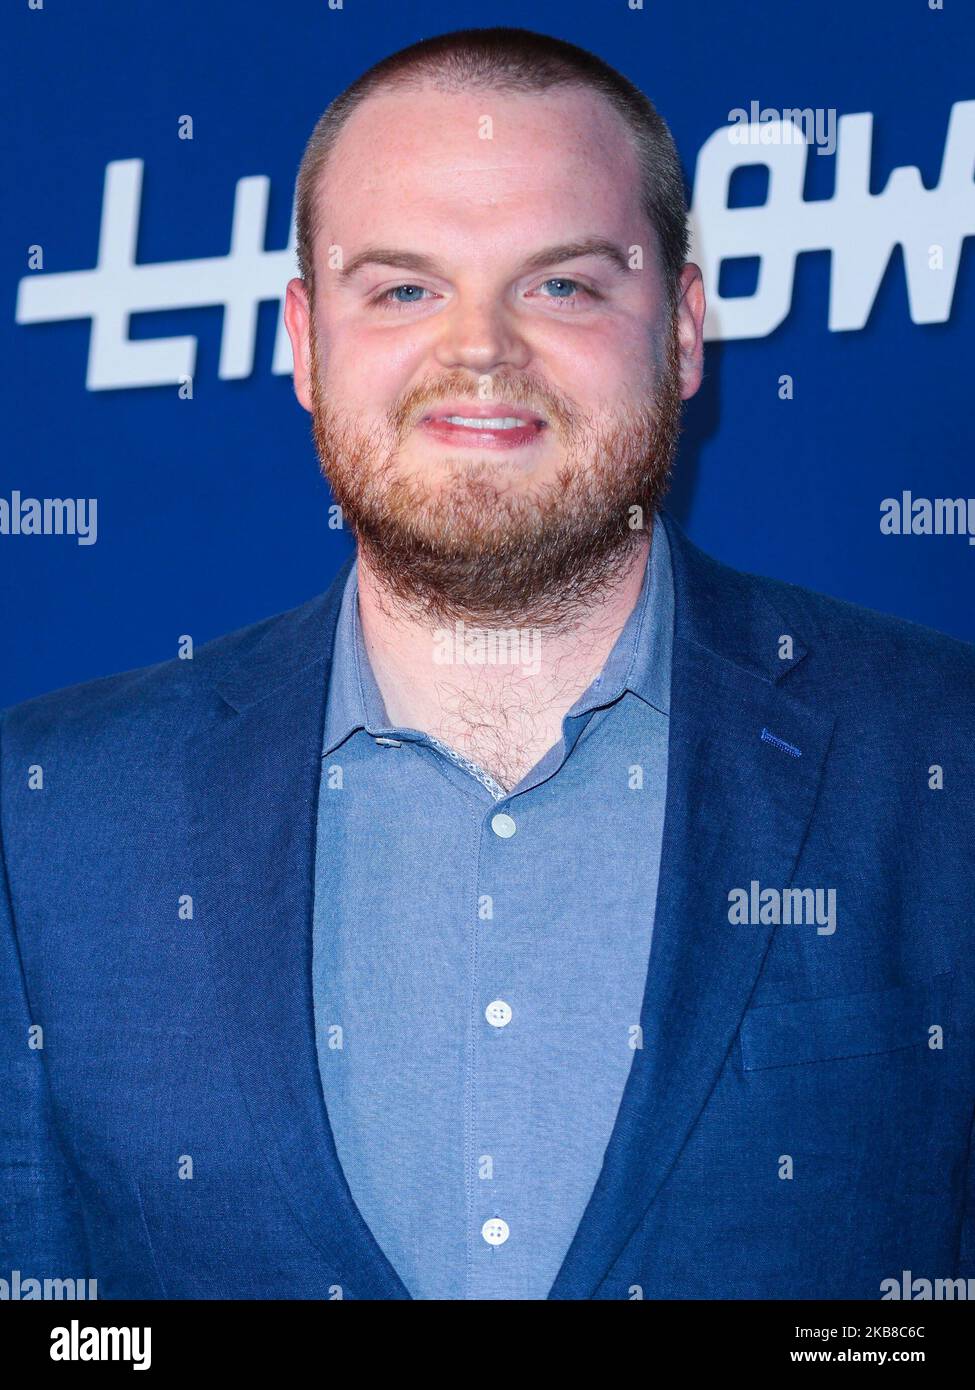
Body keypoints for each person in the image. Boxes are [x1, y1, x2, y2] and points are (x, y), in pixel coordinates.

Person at [2, 27, 973, 1302]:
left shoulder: (940, 760)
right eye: (402, 289)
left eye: (562, 285)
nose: (480, 354)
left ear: (683, 330)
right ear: (303, 341)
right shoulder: (51, 814)